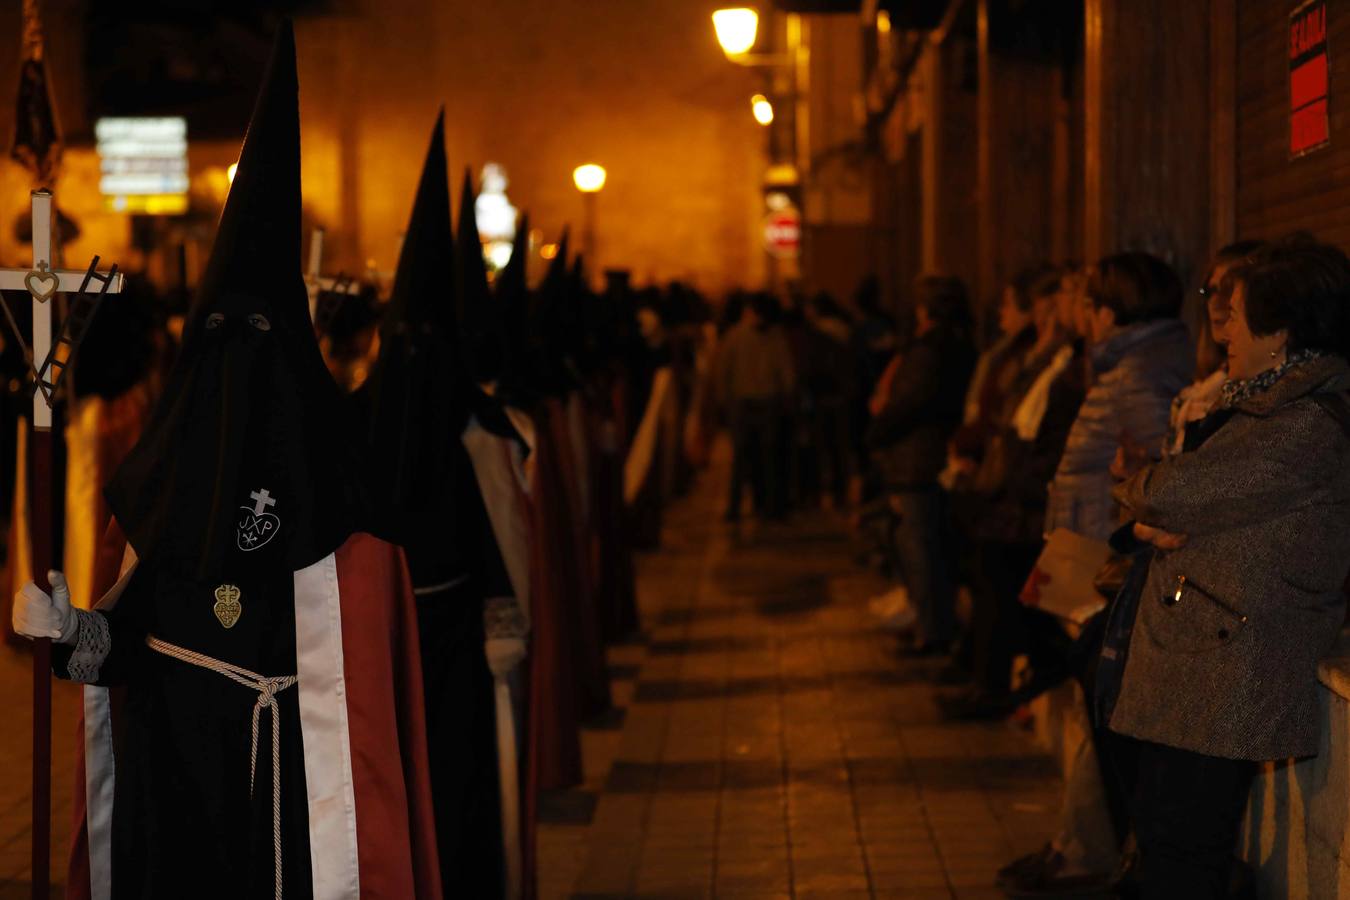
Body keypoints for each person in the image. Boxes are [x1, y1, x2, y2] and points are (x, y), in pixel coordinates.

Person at [11, 24, 441, 898]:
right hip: (174, 797)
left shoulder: (343, 502)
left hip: (292, 805)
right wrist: (71, 633)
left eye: (256, 343)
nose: (236, 366)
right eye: (217, 339)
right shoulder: (161, 487)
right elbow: (124, 647)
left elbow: (362, 708)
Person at [1102, 237, 1350, 898]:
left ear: (1283, 329)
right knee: (1170, 834)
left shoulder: (1305, 422)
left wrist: (1151, 500)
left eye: (1238, 313)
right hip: (1205, 651)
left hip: (1229, 661)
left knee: (1184, 846)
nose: (1223, 328)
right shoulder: (1269, 404)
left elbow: (1169, 491)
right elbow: (1192, 497)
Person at [353, 114, 514, 897]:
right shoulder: (369, 420)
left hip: (445, 628)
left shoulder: (469, 435)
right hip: (381, 632)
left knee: (452, 779)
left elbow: (496, 545)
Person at [1045, 252, 1194, 543]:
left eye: (1090, 306)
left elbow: (1169, 458)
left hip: (1102, 539)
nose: (1085, 318)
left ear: (1108, 314)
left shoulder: (1134, 374)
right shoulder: (1135, 364)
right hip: (1096, 530)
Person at [866, 275, 976, 654]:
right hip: (930, 456)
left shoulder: (929, 350)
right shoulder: (959, 344)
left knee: (921, 546)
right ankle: (933, 623)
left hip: (918, 458)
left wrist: (877, 430)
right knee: (926, 544)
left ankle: (933, 630)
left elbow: (908, 403)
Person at [715, 292, 796, 521]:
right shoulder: (757, 336)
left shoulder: (737, 336)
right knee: (761, 456)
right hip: (758, 401)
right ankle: (762, 506)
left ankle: (743, 507)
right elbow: (786, 372)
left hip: (753, 401)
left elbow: (723, 371)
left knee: (749, 457)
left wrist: (723, 400)